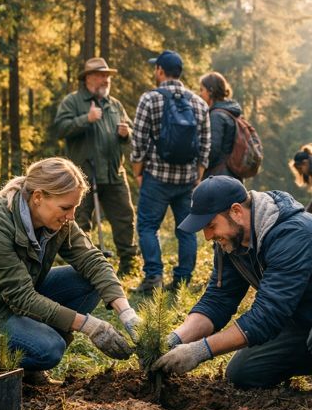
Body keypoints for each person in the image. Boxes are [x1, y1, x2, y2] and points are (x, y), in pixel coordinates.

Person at [151, 176, 312, 410]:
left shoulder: (293, 234)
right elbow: (218, 300)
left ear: (236, 211)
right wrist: (176, 339)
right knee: (243, 373)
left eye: (210, 225)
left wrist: (200, 351)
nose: (207, 237)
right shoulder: (233, 243)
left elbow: (267, 315)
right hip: (305, 318)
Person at [0, 157, 140, 386]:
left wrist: (126, 313)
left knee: (88, 283)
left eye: (74, 208)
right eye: (66, 208)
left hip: (8, 300)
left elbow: (92, 259)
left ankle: (29, 362)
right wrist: (89, 326)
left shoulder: (57, 220)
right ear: (38, 197)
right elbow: (20, 297)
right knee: (49, 348)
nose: (71, 216)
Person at [130, 50, 210, 293]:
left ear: (160, 71)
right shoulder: (199, 103)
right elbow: (205, 145)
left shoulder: (149, 99)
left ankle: (153, 277)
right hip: (187, 180)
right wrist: (198, 175)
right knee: (186, 230)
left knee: (146, 227)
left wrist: (138, 172)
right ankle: (183, 280)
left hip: (156, 178)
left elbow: (138, 142)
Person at [53, 57, 139, 276]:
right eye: (101, 75)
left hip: (113, 173)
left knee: (124, 217)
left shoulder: (115, 104)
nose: (106, 80)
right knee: (79, 220)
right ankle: (81, 267)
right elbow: (60, 129)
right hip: (83, 175)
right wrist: (85, 119)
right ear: (88, 78)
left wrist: (125, 134)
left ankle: (128, 264)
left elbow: (130, 132)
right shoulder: (73, 102)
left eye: (107, 76)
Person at [199, 71, 243, 180]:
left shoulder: (217, 116)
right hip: (232, 175)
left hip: (218, 177)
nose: (200, 94)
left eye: (202, 90)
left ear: (210, 91)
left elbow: (212, 151)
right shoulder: (231, 112)